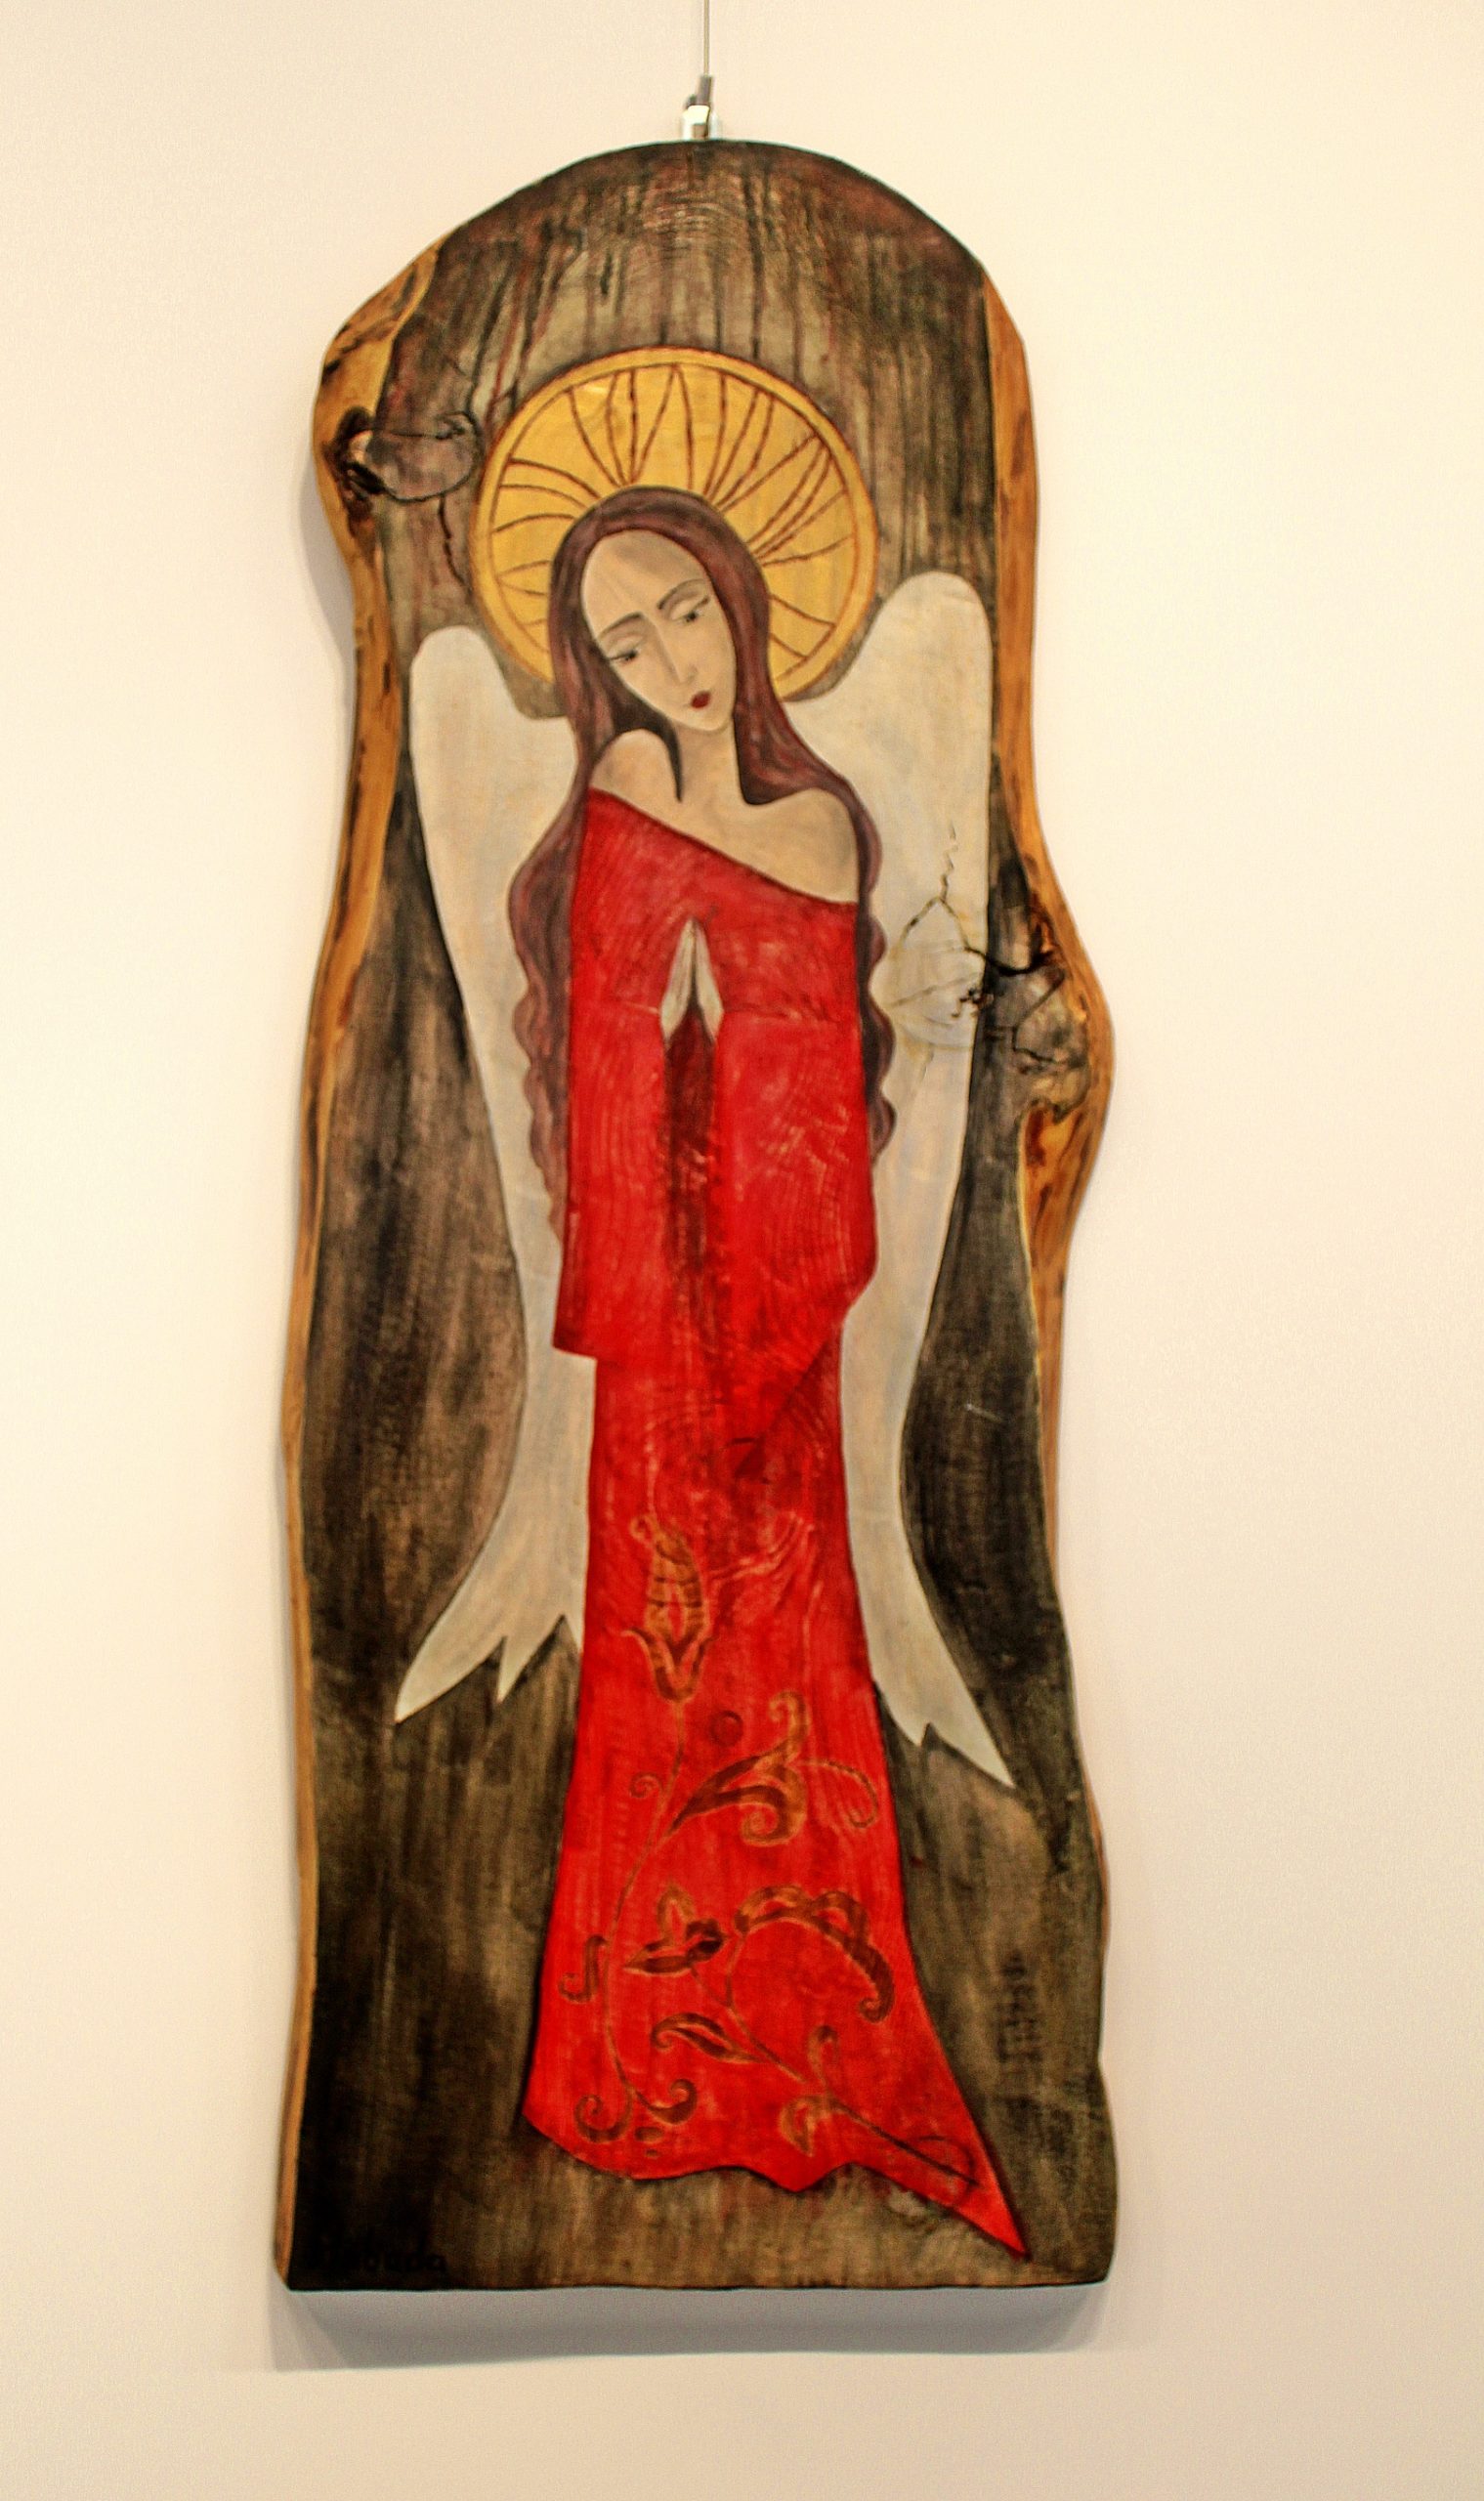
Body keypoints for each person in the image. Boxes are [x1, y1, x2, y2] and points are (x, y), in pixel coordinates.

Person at [509, 486, 1024, 2251]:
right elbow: (608, 1050)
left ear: (739, 598)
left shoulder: (818, 820)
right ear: (596, 670)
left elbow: (811, 1065)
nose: (670, 658)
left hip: (776, 1309)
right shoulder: (623, 788)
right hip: (668, 1325)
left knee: (792, 1658)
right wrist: (678, 1042)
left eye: (683, 609)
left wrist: (757, 1048)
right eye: (624, 636)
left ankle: (810, 2034)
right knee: (667, 1657)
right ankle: (642, 2059)